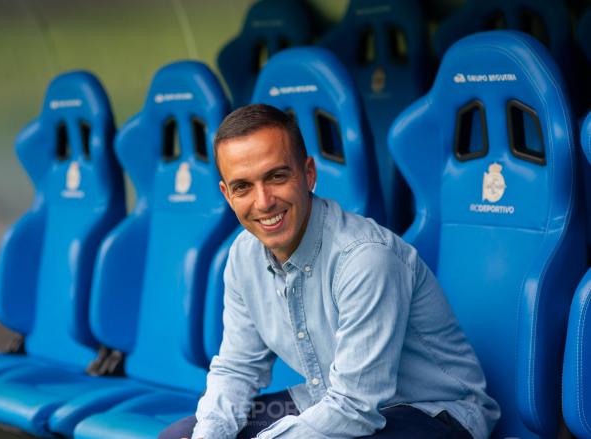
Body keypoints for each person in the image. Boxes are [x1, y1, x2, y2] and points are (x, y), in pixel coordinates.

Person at [159, 104, 500, 439]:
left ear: (308, 173)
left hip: (433, 413)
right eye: (243, 187)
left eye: (276, 176)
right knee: (183, 435)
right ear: (228, 195)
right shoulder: (242, 256)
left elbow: (355, 406)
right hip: (328, 399)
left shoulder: (365, 259)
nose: (263, 202)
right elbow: (237, 369)